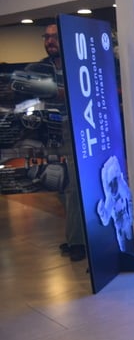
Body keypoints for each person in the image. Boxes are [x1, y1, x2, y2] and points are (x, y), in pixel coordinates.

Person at [41, 23, 86, 261]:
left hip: (73, 127)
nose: (50, 41)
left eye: (55, 37)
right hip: (50, 130)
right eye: (46, 37)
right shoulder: (40, 67)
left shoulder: (77, 64)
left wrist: (60, 92)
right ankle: (75, 235)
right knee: (59, 184)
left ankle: (77, 241)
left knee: (73, 186)